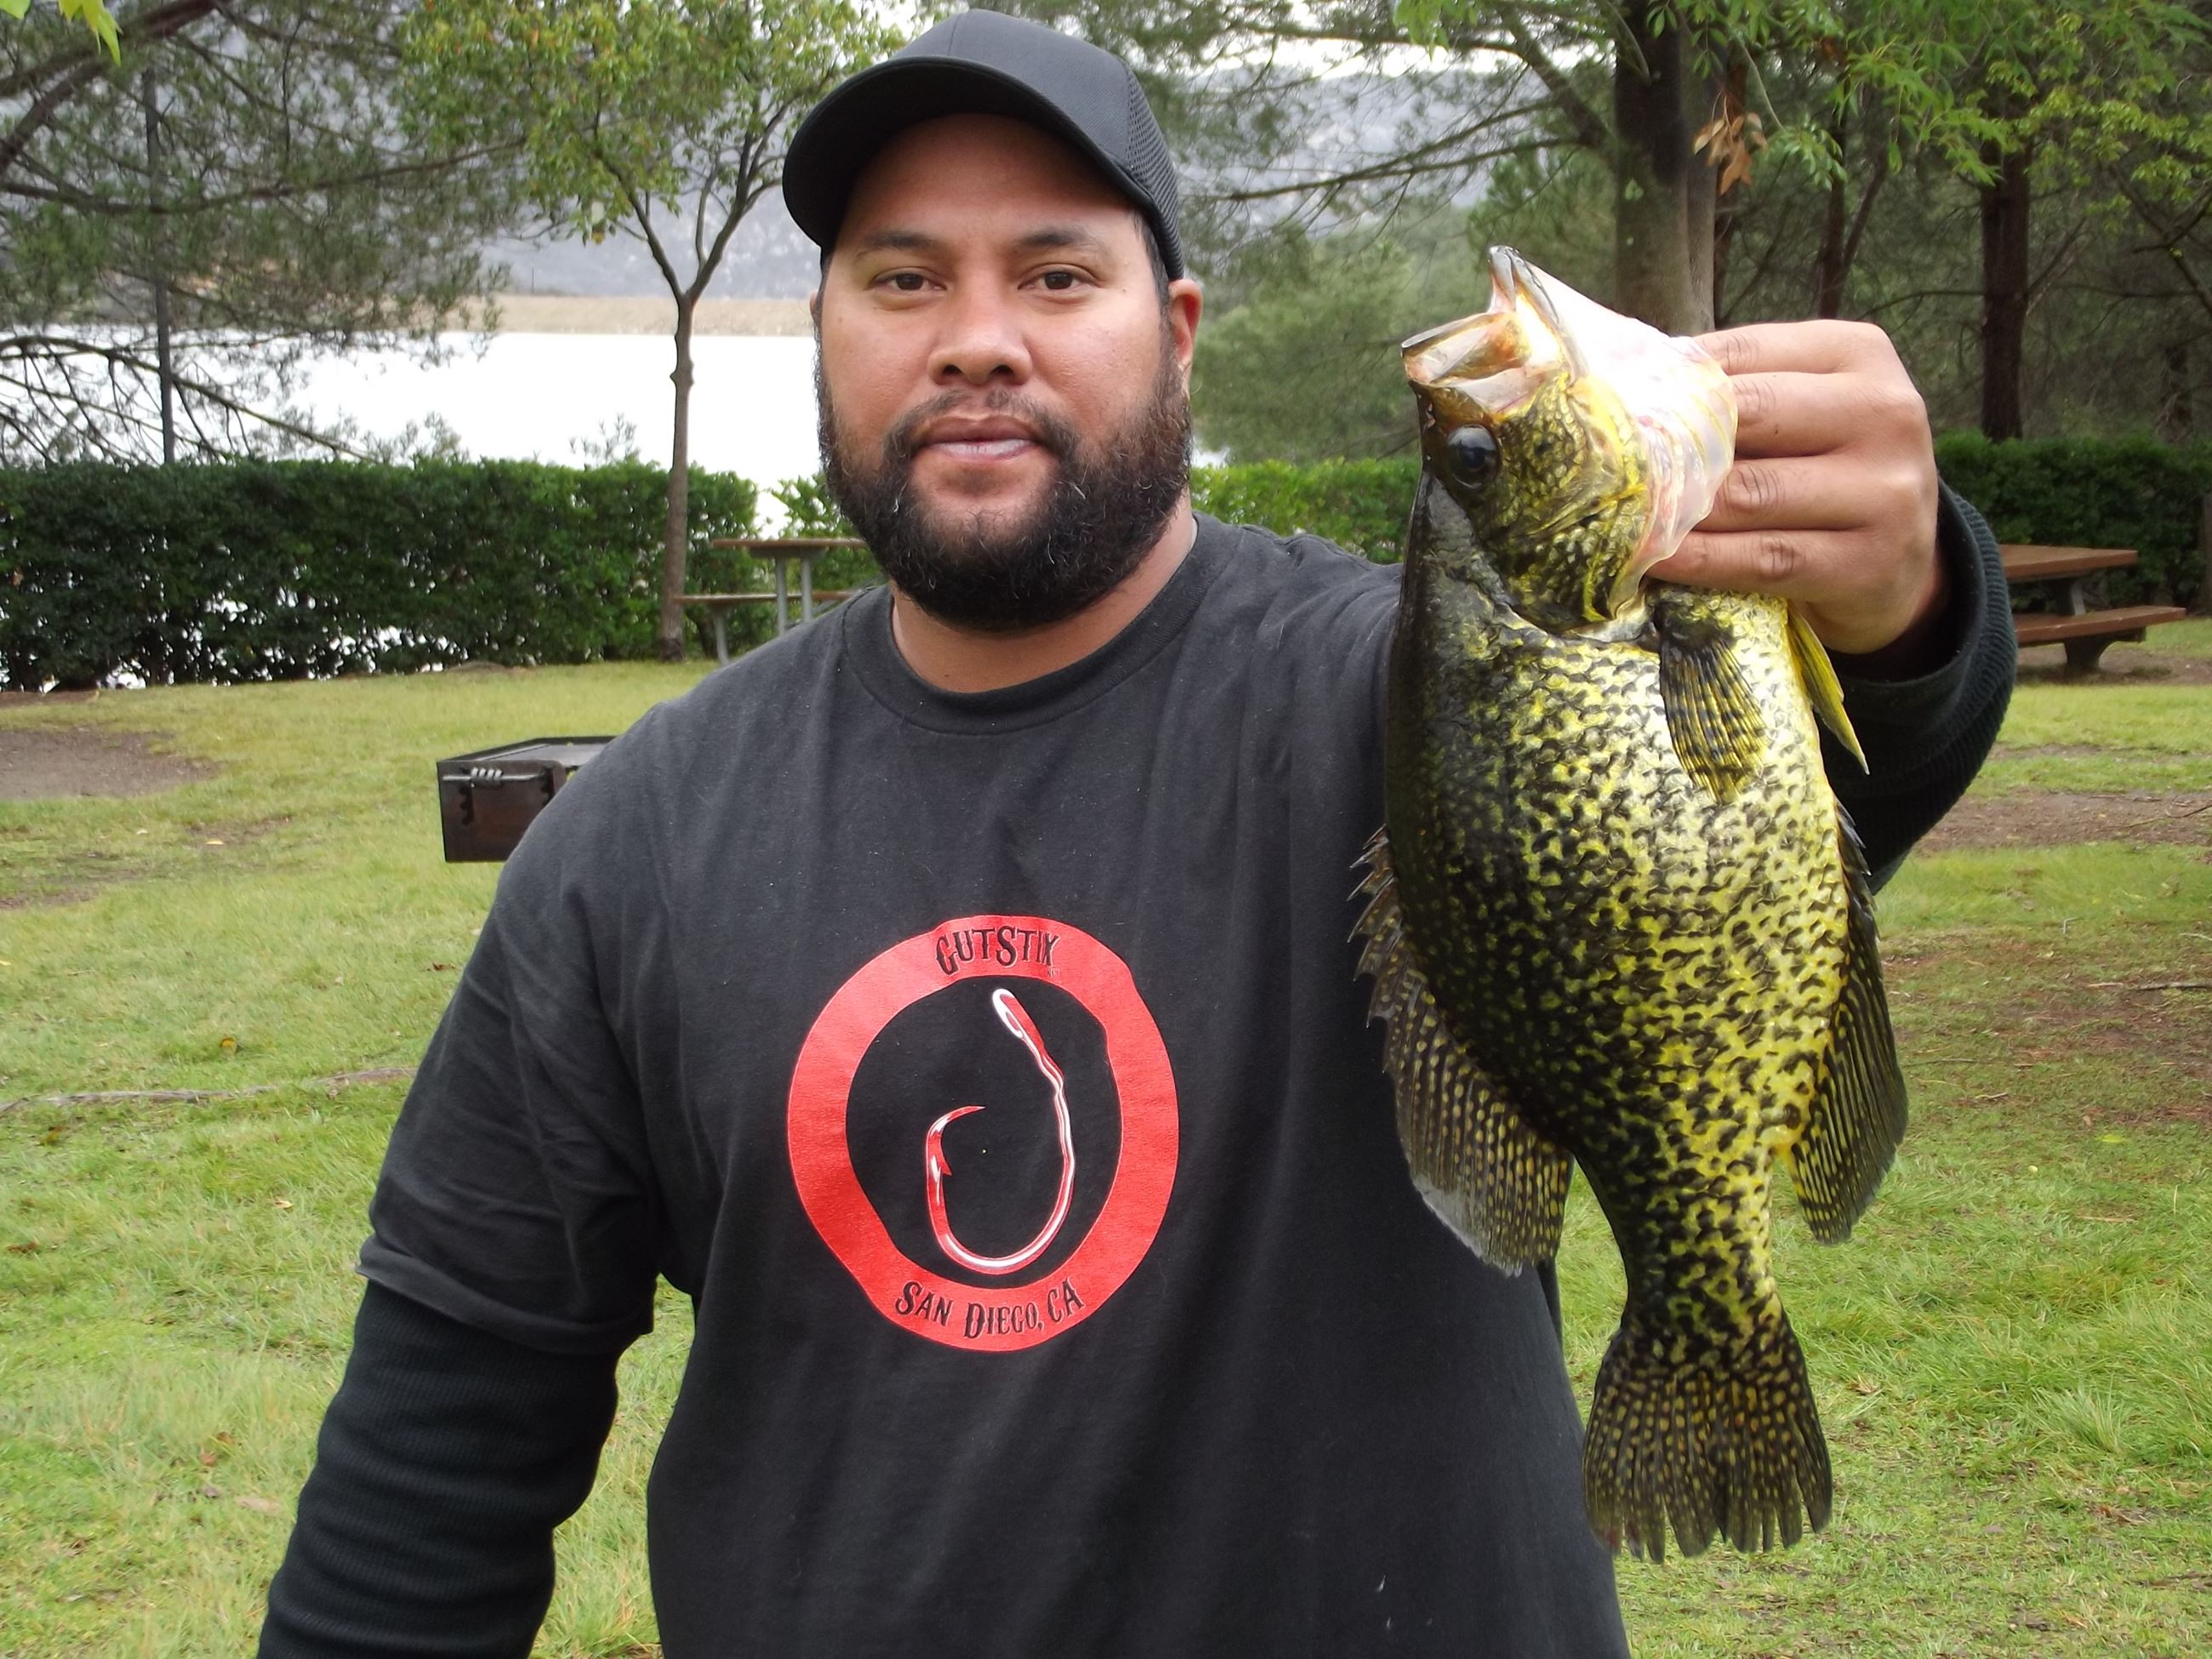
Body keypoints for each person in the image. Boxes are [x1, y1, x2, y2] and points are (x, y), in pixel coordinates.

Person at [259, 13, 2015, 1656]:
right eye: (900, 279)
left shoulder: (1405, 693)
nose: (974, 333)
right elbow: (442, 1449)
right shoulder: (634, 841)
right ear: (823, 336)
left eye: (1053, 272)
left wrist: (1913, 598)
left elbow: (1791, 824)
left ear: (1172, 330)